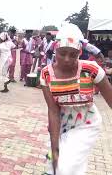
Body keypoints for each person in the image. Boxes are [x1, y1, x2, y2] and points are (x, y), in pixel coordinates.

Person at [40, 23, 112, 175]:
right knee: (54, 165)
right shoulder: (46, 74)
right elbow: (53, 111)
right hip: (61, 124)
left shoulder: (91, 69)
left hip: (86, 124)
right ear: (55, 50)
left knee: (66, 168)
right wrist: (54, 145)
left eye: (73, 54)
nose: (67, 59)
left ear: (80, 52)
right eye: (62, 53)